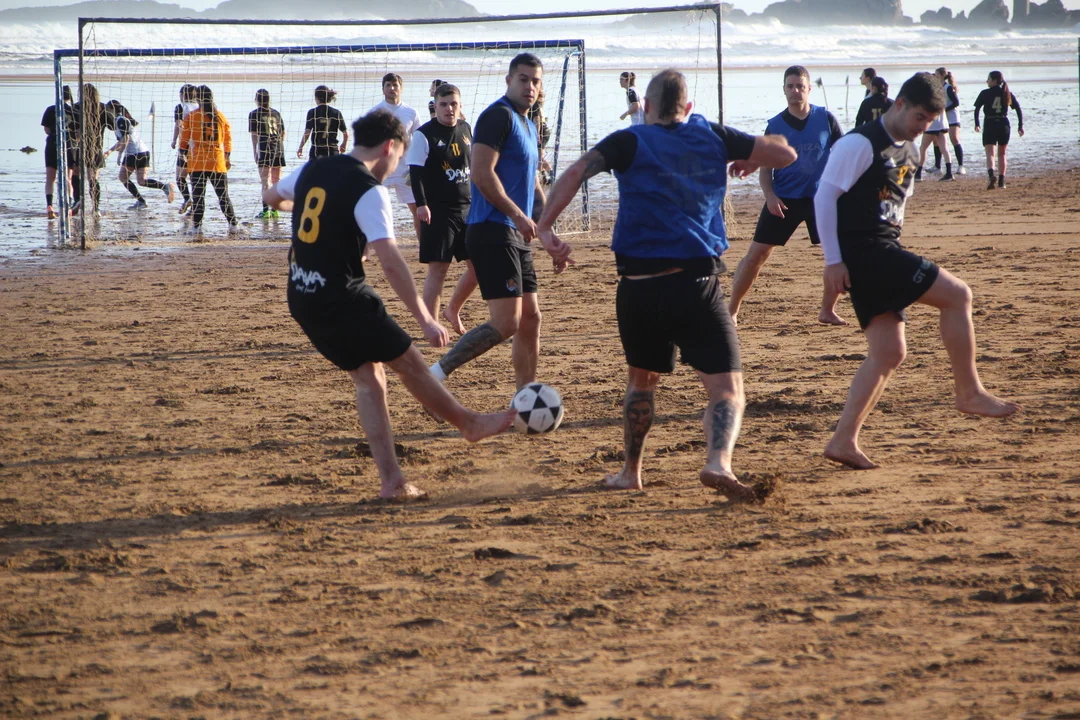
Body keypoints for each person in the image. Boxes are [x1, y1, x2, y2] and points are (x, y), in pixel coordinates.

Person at [535, 69, 796, 500]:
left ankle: (630, 472)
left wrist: (546, 227)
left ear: (648, 107)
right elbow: (785, 153)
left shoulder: (630, 140)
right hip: (697, 285)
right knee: (727, 389)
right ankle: (718, 462)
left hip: (638, 288)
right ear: (687, 107)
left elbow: (577, 170)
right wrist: (753, 158)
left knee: (642, 382)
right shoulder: (711, 135)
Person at [262, 110, 515, 501]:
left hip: (302, 296)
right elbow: (392, 263)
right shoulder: (369, 190)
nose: (397, 166)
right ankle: (469, 424)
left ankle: (392, 482)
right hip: (344, 297)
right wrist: (425, 318)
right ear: (389, 147)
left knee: (369, 377)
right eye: (399, 158)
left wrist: (320, 219)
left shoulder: (315, 168)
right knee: (409, 362)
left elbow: (271, 197)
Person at [813, 72, 1020, 471]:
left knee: (889, 352)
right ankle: (969, 392)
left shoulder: (910, 150)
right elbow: (824, 198)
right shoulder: (859, 143)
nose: (923, 126)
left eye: (930, 121)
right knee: (958, 295)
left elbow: (897, 208)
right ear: (900, 104)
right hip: (866, 252)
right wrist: (833, 261)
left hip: (883, 249)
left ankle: (843, 441)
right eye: (920, 117)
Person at [428, 53, 549, 391]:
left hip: (515, 233)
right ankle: (434, 375)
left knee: (531, 318)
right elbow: (481, 174)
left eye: (535, 81)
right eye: (523, 79)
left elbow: (533, 187)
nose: (530, 86)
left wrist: (549, 233)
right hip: (491, 229)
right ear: (509, 81)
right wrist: (518, 215)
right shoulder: (498, 116)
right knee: (507, 322)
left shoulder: (529, 124)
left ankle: (525, 397)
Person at [728, 65, 845, 327]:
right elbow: (764, 170)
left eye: (800, 86)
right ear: (784, 89)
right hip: (783, 199)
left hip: (821, 199)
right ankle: (732, 310)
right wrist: (769, 196)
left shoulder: (826, 119)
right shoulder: (775, 125)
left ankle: (828, 310)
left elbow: (843, 155)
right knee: (757, 255)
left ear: (809, 89)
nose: (795, 91)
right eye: (790, 86)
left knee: (837, 254)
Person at [407, 83, 479, 334]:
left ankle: (453, 309)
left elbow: (474, 167)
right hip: (438, 211)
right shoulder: (424, 135)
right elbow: (415, 174)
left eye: (454, 104)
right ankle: (431, 325)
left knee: (479, 267)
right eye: (444, 104)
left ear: (460, 106)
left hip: (468, 209)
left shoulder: (466, 128)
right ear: (435, 106)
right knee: (438, 269)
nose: (449, 109)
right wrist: (421, 205)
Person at [178, 85, 241, 236]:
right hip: (216, 161)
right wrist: (227, 156)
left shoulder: (191, 116)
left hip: (198, 162)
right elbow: (228, 138)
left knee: (198, 197)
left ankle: (197, 227)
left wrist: (182, 152)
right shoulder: (220, 116)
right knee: (223, 196)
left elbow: (184, 138)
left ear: (198, 98)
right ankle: (233, 225)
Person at [369, 73, 423, 241]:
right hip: (382, 170)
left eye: (395, 85)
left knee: (418, 209)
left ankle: (424, 248)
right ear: (383, 89)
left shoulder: (411, 112)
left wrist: (417, 167)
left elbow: (419, 140)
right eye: (388, 85)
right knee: (373, 209)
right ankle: (369, 248)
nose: (392, 88)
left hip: (405, 170)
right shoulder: (375, 112)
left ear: (401, 88)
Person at [103, 100, 176, 210]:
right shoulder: (119, 121)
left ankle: (141, 201)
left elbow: (126, 138)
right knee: (142, 181)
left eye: (107, 110)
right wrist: (110, 151)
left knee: (123, 177)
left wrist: (119, 154)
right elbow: (121, 141)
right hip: (143, 152)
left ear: (111, 110)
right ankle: (164, 187)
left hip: (134, 153)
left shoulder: (120, 120)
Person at [974, 70, 1024, 190]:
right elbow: (1018, 109)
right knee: (1002, 154)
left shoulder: (985, 93)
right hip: (1003, 124)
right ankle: (1002, 181)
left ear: (994, 81)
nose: (987, 81)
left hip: (990, 123)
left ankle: (991, 175)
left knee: (990, 154)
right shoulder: (1006, 93)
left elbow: (977, 109)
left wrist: (977, 124)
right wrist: (1020, 126)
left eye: (988, 79)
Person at [70, 83, 109, 215]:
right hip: (96, 147)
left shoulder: (77, 107)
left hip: (81, 147)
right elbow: (113, 125)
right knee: (92, 178)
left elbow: (71, 127)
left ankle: (78, 200)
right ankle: (95, 207)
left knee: (77, 174)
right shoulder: (102, 107)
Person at [249, 89, 286, 219]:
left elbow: (254, 135)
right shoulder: (276, 113)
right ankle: (275, 210)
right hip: (278, 149)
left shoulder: (254, 114)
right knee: (276, 182)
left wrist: (255, 151)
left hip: (265, 149)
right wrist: (279, 145)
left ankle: (265, 211)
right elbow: (283, 133)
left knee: (265, 181)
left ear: (257, 100)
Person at [41, 85, 73, 219]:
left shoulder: (50, 109)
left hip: (52, 144)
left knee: (50, 178)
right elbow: (77, 132)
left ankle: (50, 205)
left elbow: (46, 130)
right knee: (67, 179)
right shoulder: (73, 111)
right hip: (68, 145)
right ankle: (68, 206)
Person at [296, 86, 347, 160]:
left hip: (317, 149)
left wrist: (301, 147)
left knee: (315, 168)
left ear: (316, 98)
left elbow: (307, 132)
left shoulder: (312, 112)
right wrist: (344, 144)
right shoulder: (336, 113)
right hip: (332, 150)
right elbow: (345, 133)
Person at [915, 85, 953, 182]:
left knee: (923, 148)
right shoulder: (941, 96)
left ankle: (918, 173)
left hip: (932, 126)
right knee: (944, 148)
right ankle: (949, 173)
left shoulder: (928, 97)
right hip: (942, 124)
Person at [171, 84, 198, 215]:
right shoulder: (200, 107)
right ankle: (194, 206)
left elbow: (179, 125)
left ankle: (187, 199)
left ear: (182, 95)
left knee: (180, 177)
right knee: (194, 178)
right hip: (199, 146)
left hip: (186, 146)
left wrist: (175, 141)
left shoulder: (180, 107)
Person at [935, 67, 966, 175]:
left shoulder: (948, 87)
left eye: (936, 74)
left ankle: (961, 166)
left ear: (942, 75)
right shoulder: (938, 88)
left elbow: (956, 102)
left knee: (954, 139)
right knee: (937, 140)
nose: (935, 76)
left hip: (952, 117)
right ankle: (937, 166)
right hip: (943, 118)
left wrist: (945, 109)